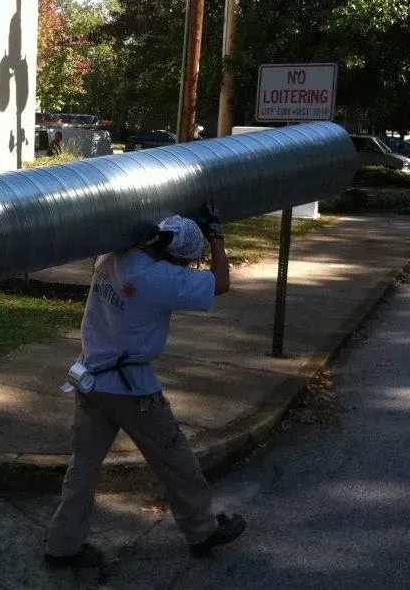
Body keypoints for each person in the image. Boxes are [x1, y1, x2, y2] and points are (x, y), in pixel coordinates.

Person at [45, 204, 245, 569]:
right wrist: (216, 235)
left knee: (83, 467)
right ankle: (202, 531)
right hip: (132, 390)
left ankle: (62, 546)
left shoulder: (112, 257)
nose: (185, 270)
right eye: (185, 263)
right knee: (175, 460)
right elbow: (221, 282)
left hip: (90, 379)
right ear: (173, 257)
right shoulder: (160, 280)